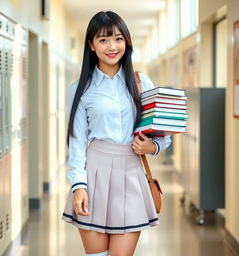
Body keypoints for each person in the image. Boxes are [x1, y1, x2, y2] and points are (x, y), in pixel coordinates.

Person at [62, 11, 171, 256]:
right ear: (91, 45)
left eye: (118, 39)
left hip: (131, 174)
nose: (112, 46)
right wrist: (78, 186)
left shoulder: (142, 82)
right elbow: (77, 141)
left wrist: (150, 147)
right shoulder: (80, 88)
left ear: (127, 42)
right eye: (103, 40)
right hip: (94, 176)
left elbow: (164, 136)